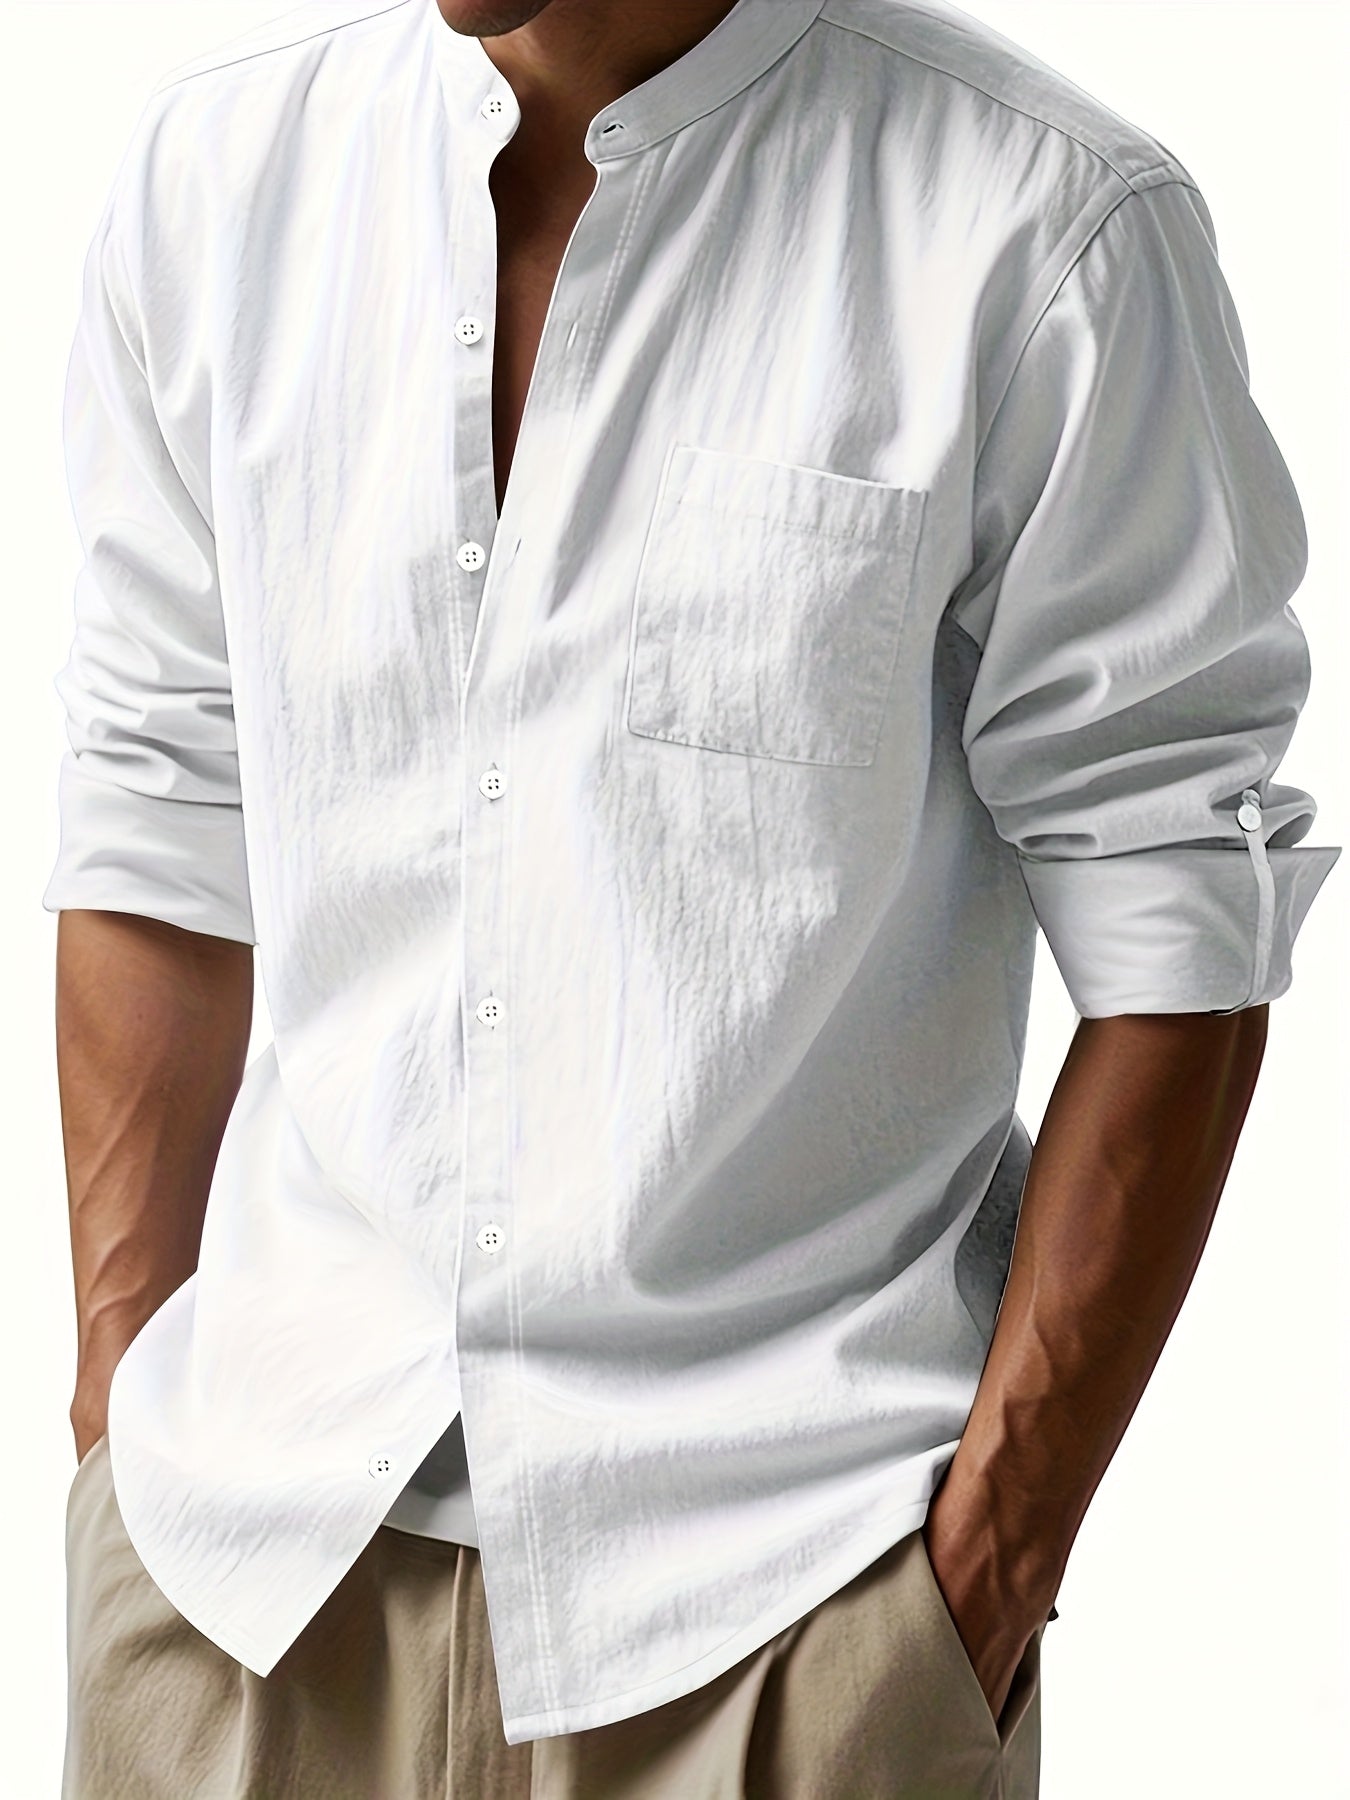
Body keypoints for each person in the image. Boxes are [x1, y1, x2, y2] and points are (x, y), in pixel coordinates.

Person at [46, 0, 1340, 1794]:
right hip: (248, 1574)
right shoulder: (217, 187)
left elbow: (1177, 923)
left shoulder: (1042, 227)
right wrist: (116, 1417)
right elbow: (159, 810)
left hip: (788, 1601)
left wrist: (981, 1569)